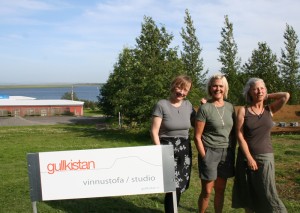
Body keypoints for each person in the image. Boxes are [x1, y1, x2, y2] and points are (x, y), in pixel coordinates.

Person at [232, 78, 289, 213]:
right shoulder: (243, 111)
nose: (259, 91)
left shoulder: (270, 109)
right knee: (248, 194)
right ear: (249, 92)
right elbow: (240, 135)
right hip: (245, 158)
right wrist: (249, 158)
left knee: (268, 192)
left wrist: (266, 96)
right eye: (256, 89)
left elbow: (286, 95)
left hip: (265, 156)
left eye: (262, 88)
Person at [150, 75, 196, 213]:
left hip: (184, 150)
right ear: (173, 86)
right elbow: (154, 131)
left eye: (185, 90)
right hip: (167, 149)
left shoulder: (188, 106)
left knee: (181, 185)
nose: (181, 92)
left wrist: (205, 106)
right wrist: (159, 151)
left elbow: (198, 123)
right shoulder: (161, 105)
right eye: (179, 87)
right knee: (172, 187)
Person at [194, 74, 236, 213]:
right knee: (207, 191)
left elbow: (233, 132)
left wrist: (231, 150)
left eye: (220, 86)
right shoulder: (205, 108)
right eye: (214, 86)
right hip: (209, 152)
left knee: (220, 190)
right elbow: (197, 136)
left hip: (226, 153)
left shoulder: (230, 107)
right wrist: (204, 156)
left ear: (225, 88)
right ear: (210, 88)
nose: (217, 89)